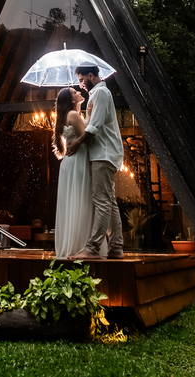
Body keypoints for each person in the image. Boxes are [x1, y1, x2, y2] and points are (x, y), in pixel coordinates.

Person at [64, 64, 124, 260]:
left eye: (82, 80)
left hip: (103, 153)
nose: (81, 85)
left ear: (91, 75)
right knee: (110, 202)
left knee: (102, 201)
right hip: (105, 153)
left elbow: (95, 127)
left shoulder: (100, 93)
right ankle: (116, 247)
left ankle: (92, 248)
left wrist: (76, 143)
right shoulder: (97, 95)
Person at [52, 85, 92, 259]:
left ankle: (72, 244)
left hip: (70, 164)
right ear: (70, 100)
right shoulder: (74, 115)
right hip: (78, 163)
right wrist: (89, 116)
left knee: (73, 203)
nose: (79, 92)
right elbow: (87, 136)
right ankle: (80, 245)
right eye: (75, 92)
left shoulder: (68, 115)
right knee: (81, 201)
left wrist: (83, 112)